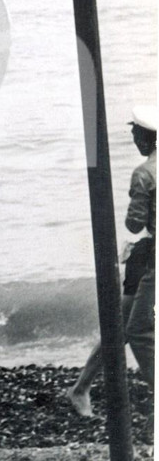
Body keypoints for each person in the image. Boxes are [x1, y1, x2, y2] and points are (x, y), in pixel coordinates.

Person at [67, 107, 156, 416]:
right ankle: (80, 389)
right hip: (147, 255)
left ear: (148, 138)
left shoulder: (145, 173)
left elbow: (133, 224)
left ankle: (81, 389)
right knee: (130, 327)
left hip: (145, 253)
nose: (133, 139)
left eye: (136, 134)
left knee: (128, 327)